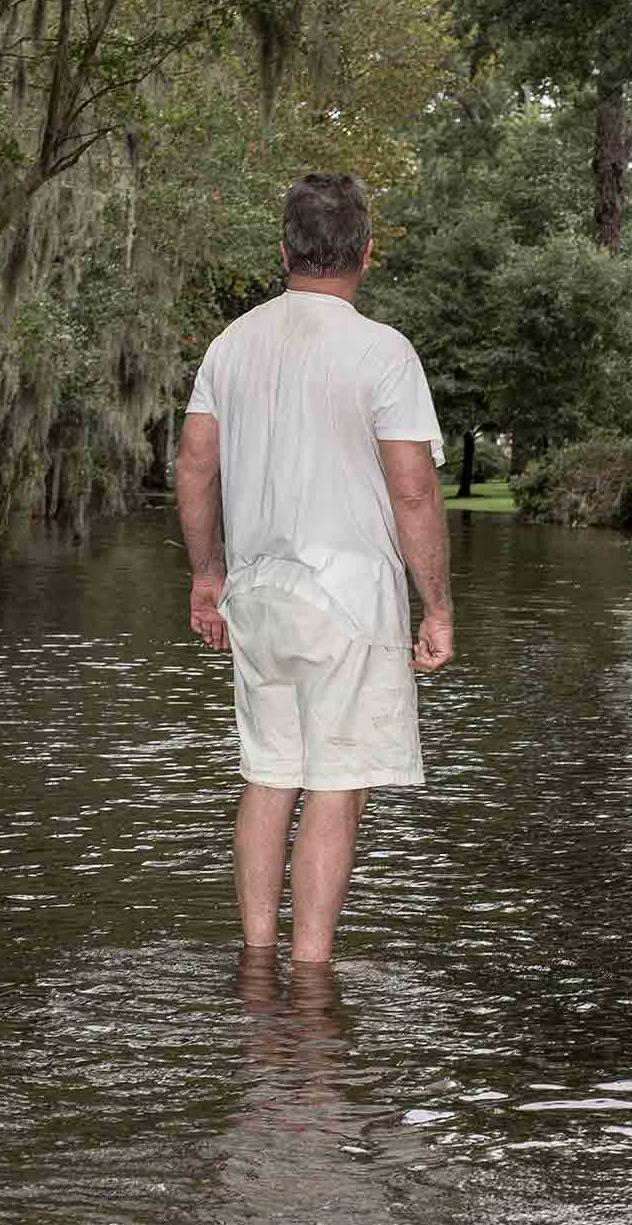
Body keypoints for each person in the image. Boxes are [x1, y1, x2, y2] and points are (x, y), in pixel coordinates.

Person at [175, 171, 454, 966]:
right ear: (366, 252)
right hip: (349, 598)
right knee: (335, 784)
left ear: (284, 250)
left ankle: (256, 965)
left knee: (268, 777)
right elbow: (412, 487)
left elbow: (195, 466)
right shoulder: (383, 352)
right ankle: (310, 977)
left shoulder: (231, 344)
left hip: (257, 591)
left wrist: (206, 576)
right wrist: (435, 608)